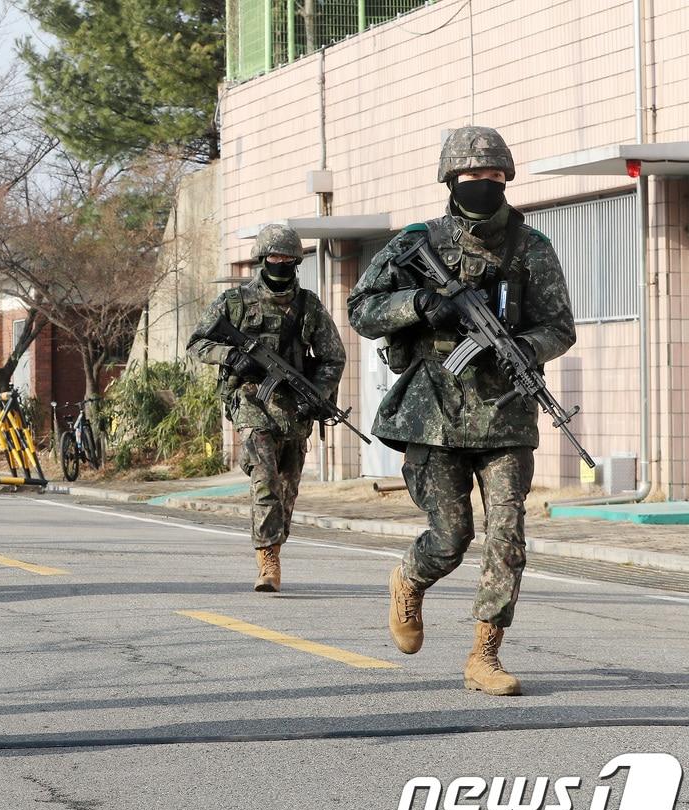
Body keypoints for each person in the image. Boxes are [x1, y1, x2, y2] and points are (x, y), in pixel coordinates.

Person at [348, 126, 576, 696]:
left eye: (497, 177)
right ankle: (409, 578)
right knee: (451, 537)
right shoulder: (416, 241)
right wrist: (421, 303)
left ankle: (485, 654)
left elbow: (559, 326)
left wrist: (527, 346)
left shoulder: (532, 247)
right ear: (452, 180)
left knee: (507, 534)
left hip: (506, 417)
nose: (486, 186)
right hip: (435, 415)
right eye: (475, 177)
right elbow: (363, 309)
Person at [187, 224, 346, 592]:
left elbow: (332, 357)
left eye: (289, 259)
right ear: (263, 259)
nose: (282, 264)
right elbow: (197, 343)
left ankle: (275, 542)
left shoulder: (309, 305)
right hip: (251, 403)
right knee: (265, 480)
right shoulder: (235, 302)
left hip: (294, 411)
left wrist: (317, 394)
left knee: (288, 487)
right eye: (275, 258)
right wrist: (231, 356)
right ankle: (267, 560)